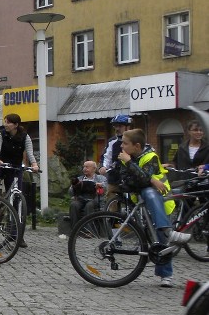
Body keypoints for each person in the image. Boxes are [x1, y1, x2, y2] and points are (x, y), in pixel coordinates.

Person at [115, 128, 191, 287]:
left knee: (161, 237)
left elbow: (142, 180)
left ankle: (166, 275)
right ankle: (168, 234)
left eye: (125, 143)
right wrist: (144, 178)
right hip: (140, 201)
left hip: (161, 201)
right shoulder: (126, 158)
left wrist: (139, 174)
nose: (121, 146)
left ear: (136, 146)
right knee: (154, 237)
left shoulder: (151, 157)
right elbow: (127, 181)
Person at [0, 113, 39, 247]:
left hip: (15, 167)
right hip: (1, 164)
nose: (5, 124)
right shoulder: (0, 134)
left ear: (16, 125)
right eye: (5, 122)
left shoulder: (25, 137)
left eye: (8, 122)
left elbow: (30, 153)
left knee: (17, 199)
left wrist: (34, 164)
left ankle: (17, 235)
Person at [99, 114, 131, 201]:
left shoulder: (134, 140)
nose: (117, 129)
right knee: (111, 196)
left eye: (120, 126)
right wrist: (104, 167)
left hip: (131, 176)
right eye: (115, 126)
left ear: (127, 127)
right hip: (115, 177)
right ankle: (111, 214)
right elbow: (106, 156)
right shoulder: (112, 141)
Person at [69, 160, 106, 225]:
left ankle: (90, 231)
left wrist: (100, 186)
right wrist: (74, 187)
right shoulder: (79, 179)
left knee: (89, 205)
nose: (85, 169)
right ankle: (75, 229)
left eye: (87, 167)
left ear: (94, 169)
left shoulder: (101, 178)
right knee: (74, 205)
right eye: (84, 167)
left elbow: (106, 188)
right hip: (81, 199)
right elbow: (70, 192)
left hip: (94, 199)